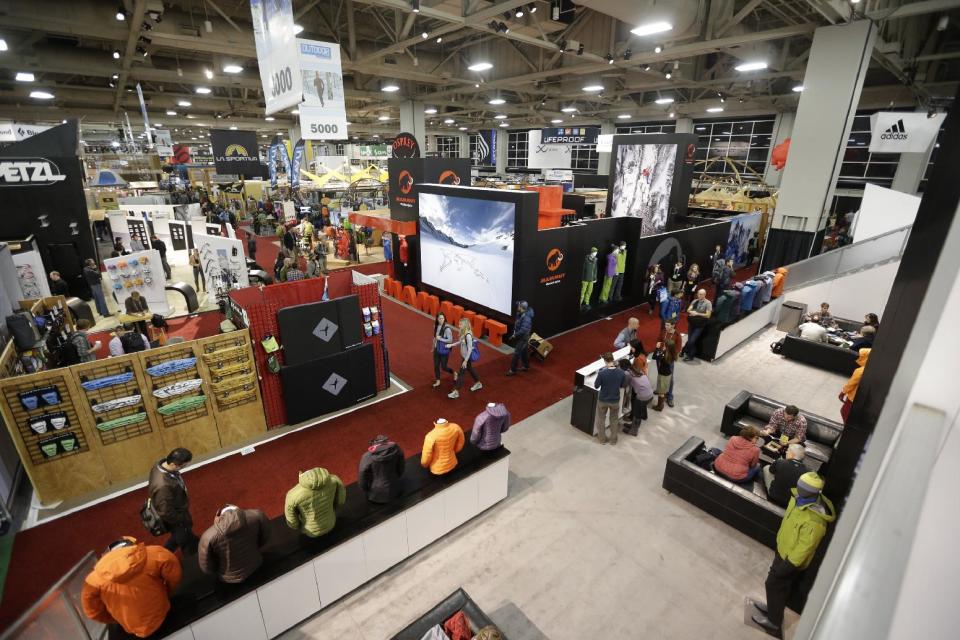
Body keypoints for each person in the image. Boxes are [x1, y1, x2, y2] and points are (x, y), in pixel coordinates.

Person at [751, 472, 836, 637]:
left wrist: (788, 565)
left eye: (803, 488)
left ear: (812, 492)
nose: (799, 489)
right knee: (776, 586)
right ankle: (772, 610)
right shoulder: (797, 498)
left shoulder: (815, 520)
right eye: (799, 485)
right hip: (783, 549)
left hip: (791, 560)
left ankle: (774, 624)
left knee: (773, 584)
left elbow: (805, 548)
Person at [81, 536, 181, 638]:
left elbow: (92, 612)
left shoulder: (93, 581)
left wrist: (116, 618)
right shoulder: (154, 553)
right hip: (163, 613)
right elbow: (174, 573)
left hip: (132, 628)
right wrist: (167, 591)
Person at [198, 505, 270, 584]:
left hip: (228, 580)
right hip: (256, 565)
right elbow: (265, 537)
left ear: (218, 515)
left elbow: (206, 566)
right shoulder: (256, 515)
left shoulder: (208, 536)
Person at [148, 448, 198, 554]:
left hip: (177, 510)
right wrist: (181, 519)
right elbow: (166, 512)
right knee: (185, 540)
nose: (184, 467)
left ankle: (164, 553)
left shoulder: (161, 464)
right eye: (184, 465)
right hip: (175, 517)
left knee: (181, 535)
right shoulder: (163, 486)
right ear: (174, 465)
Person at [284, 467, 346, 538]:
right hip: (331, 523)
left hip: (310, 531)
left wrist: (298, 526)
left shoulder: (293, 495)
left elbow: (292, 522)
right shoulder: (334, 480)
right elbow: (341, 501)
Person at [358, 435, 405, 503]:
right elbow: (401, 467)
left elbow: (362, 474)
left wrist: (365, 488)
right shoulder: (397, 449)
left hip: (376, 494)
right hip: (395, 488)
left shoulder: (367, 456)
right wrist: (397, 477)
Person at [594, 352, 625, 445]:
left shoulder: (602, 373)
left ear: (605, 361)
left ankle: (602, 439)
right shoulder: (621, 372)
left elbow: (596, 386)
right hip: (615, 400)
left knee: (601, 419)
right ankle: (613, 440)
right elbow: (622, 384)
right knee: (614, 419)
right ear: (613, 359)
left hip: (603, 400)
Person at [448, 318, 482, 399]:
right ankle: (478, 383)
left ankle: (456, 391)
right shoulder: (464, 333)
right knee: (470, 369)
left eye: (460, 324)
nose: (459, 326)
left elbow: (470, 348)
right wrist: (452, 345)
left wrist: (465, 361)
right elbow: (460, 342)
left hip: (466, 357)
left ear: (465, 325)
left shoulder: (468, 335)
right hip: (464, 357)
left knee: (461, 374)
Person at [620, 359, 654, 435]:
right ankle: (633, 426)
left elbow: (624, 385)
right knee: (637, 411)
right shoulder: (637, 369)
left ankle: (634, 431)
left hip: (642, 397)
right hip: (650, 394)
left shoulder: (627, 373)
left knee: (637, 414)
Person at [839, 348, 871, 422]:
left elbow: (851, 384)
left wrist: (843, 392)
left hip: (854, 398)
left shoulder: (860, 371)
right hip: (867, 399)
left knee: (845, 412)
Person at [657, 321, 683, 407]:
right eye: (665, 324)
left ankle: (669, 396)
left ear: (673, 325)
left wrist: (670, 355)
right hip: (660, 357)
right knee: (660, 375)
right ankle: (660, 391)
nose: (666, 326)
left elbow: (678, 349)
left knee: (670, 378)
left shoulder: (677, 335)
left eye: (668, 325)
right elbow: (659, 340)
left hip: (669, 359)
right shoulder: (663, 331)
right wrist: (659, 346)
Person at [681, 289, 712, 361]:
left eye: (701, 294)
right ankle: (686, 352)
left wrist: (697, 313)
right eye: (698, 294)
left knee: (692, 340)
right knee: (690, 339)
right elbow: (688, 310)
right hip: (692, 323)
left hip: (699, 325)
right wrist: (692, 311)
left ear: (704, 295)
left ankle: (689, 354)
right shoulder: (695, 301)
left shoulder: (708, 303)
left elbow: (708, 315)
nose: (699, 295)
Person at [507, 300, 534, 375]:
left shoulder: (526, 318)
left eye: (518, 306)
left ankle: (513, 370)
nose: (517, 306)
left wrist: (515, 335)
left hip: (523, 337)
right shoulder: (521, 313)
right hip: (522, 336)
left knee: (516, 353)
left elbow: (524, 330)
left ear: (521, 307)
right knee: (524, 351)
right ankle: (526, 366)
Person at [651, 340, 677, 412]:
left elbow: (654, 357)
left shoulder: (664, 355)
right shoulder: (672, 354)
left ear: (667, 348)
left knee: (661, 392)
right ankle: (661, 403)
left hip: (663, 375)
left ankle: (659, 406)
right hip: (668, 374)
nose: (664, 347)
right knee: (664, 389)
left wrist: (657, 348)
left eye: (665, 346)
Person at [431, 312, 455, 388]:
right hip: (436, 349)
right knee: (436, 365)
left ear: (444, 319)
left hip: (444, 350)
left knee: (444, 367)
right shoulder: (436, 326)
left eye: (442, 318)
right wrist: (433, 347)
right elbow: (434, 337)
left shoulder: (447, 329)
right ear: (437, 319)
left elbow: (450, 340)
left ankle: (454, 373)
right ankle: (438, 380)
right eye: (439, 318)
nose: (441, 320)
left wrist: (440, 338)